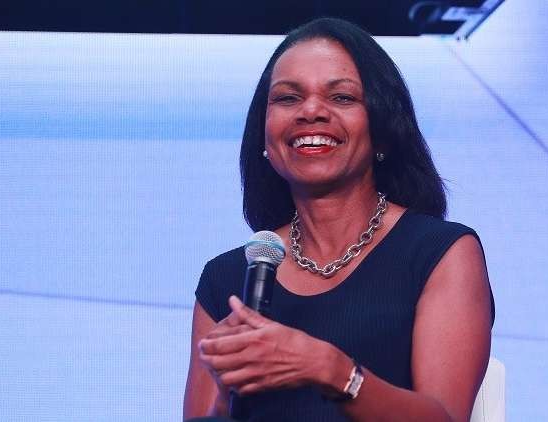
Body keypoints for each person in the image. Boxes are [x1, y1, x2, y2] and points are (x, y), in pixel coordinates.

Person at [183, 17, 494, 422]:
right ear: (264, 137)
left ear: (382, 130)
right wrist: (226, 401)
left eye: (342, 97)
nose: (311, 111)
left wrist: (331, 369)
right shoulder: (228, 278)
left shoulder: (439, 254)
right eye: (288, 98)